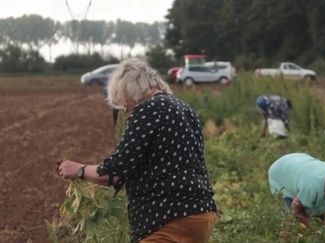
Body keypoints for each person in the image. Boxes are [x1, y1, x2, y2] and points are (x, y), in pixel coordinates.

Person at [57, 58, 217, 243]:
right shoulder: (184, 108)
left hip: (168, 217)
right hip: (201, 213)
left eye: (123, 101)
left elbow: (116, 172)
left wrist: (79, 170)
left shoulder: (147, 110)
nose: (124, 109)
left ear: (133, 90)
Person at [268, 153, 325, 230]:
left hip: (300, 162)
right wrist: (315, 232)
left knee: (317, 210)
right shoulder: (311, 186)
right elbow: (295, 210)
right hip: (281, 172)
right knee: (290, 223)